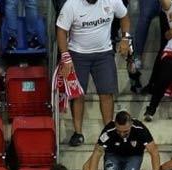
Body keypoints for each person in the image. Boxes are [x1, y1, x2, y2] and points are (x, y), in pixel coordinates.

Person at [56, 0, 131, 146]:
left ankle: (108, 131)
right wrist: (65, 57)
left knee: (107, 93)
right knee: (77, 94)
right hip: (77, 53)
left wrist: (125, 38)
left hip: (104, 53)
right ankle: (78, 133)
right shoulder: (72, 4)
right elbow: (61, 30)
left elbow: (124, 16)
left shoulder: (112, 1)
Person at [87, 111, 161, 170]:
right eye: (119, 131)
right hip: (113, 156)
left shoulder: (140, 129)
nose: (122, 134)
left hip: (134, 156)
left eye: (125, 131)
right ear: (115, 124)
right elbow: (97, 153)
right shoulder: (109, 130)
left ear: (131, 124)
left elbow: (154, 151)